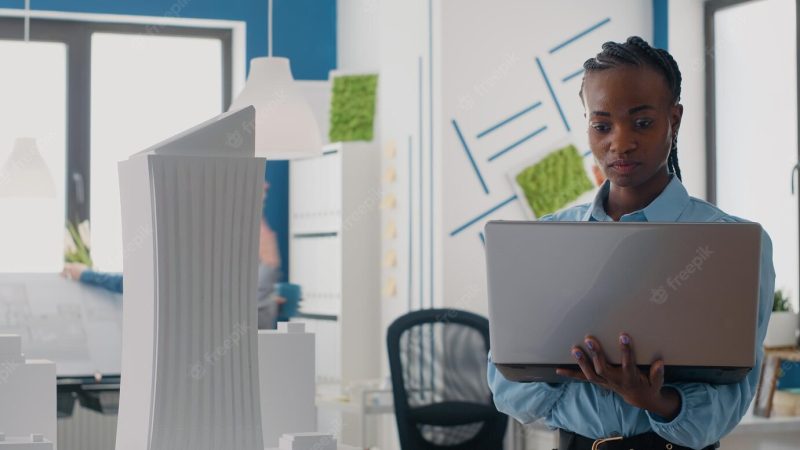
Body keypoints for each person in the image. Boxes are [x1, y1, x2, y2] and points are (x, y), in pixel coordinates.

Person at [488, 36, 775, 450]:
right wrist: (564, 369)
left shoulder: (731, 244)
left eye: (642, 122)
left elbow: (730, 398)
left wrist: (656, 400)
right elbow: (508, 390)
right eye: (601, 125)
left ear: (673, 120)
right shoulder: (546, 240)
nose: (619, 143)